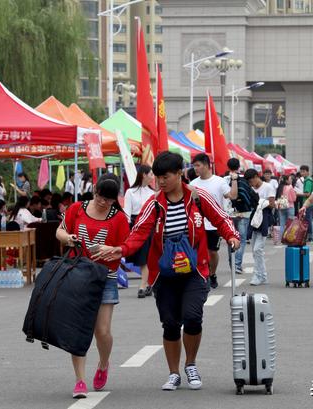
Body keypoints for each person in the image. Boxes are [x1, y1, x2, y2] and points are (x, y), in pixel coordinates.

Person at [95, 151, 240, 392]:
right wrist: (120, 250)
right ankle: (173, 373)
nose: (160, 182)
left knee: (193, 317)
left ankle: (190, 364)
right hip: (164, 273)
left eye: (166, 176)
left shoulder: (197, 197)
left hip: (195, 270)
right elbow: (139, 232)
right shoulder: (154, 204)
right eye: (157, 177)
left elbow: (222, 218)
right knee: (170, 323)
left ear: (179, 174)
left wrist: (232, 237)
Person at [55, 173, 131, 399]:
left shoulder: (118, 218)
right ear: (94, 191)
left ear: (114, 199)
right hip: (77, 274)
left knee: (102, 331)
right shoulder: (77, 208)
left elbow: (125, 246)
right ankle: (80, 380)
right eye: (99, 196)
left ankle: (104, 363)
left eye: (108, 199)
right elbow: (59, 231)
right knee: (78, 329)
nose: (102, 202)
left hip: (105, 276)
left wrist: (112, 250)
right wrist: (68, 238)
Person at [190, 153, 237, 289]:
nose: (196, 169)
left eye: (198, 165)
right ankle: (202, 275)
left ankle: (212, 273)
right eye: (194, 166)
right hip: (198, 223)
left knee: (212, 252)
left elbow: (232, 196)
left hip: (214, 224)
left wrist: (234, 181)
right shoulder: (193, 184)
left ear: (206, 165)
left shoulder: (219, 181)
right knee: (198, 252)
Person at [123, 165, 156, 298]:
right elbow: (127, 212)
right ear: (144, 175)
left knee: (149, 257)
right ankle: (147, 284)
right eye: (151, 174)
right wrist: (128, 230)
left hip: (151, 226)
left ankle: (144, 285)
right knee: (142, 257)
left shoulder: (153, 193)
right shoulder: (130, 192)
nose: (153, 177)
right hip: (136, 226)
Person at [224, 158, 258, 274]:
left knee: (231, 237)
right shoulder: (243, 179)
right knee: (242, 240)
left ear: (228, 166)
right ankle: (237, 264)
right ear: (239, 166)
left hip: (229, 213)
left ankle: (232, 263)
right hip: (244, 213)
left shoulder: (224, 179)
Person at [245, 168, 275, 285]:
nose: (251, 184)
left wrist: (261, 203)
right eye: (249, 182)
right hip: (254, 219)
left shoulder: (268, 187)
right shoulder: (251, 188)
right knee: (255, 250)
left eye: (251, 181)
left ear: (256, 176)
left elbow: (272, 204)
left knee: (258, 249)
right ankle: (262, 275)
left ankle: (258, 275)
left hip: (264, 219)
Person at [297, 165, 313, 242]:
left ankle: (310, 236)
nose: (302, 173)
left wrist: (297, 194)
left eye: (304, 171)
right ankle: (309, 236)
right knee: (308, 219)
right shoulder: (308, 180)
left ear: (308, 172)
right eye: (301, 171)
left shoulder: (308, 181)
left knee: (308, 220)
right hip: (309, 203)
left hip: (308, 203)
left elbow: (307, 194)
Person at [275, 175, 297, 239]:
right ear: (286, 180)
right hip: (290, 206)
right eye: (290, 179)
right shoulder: (290, 187)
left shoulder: (280, 187)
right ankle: (289, 238)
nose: (291, 180)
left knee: (282, 223)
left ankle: (282, 238)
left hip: (281, 206)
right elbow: (294, 199)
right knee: (290, 223)